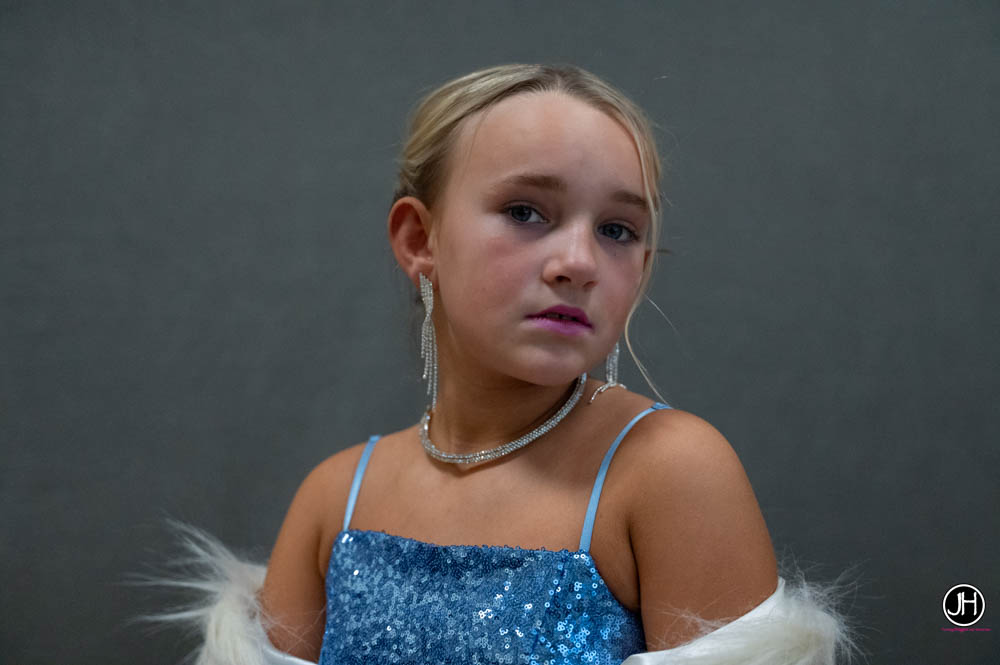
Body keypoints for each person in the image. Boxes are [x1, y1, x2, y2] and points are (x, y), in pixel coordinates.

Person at [161, 64, 855, 665]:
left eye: (617, 229)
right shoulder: (334, 498)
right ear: (419, 238)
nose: (578, 262)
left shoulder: (668, 471)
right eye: (526, 212)